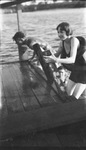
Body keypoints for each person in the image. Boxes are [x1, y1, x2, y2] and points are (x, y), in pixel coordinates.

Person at [44, 22, 86, 99]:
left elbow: (72, 59)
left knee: (74, 98)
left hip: (84, 71)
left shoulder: (74, 40)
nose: (59, 34)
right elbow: (56, 55)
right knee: (67, 95)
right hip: (76, 70)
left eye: (61, 32)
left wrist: (56, 60)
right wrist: (45, 56)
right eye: (58, 32)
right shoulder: (62, 43)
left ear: (68, 31)